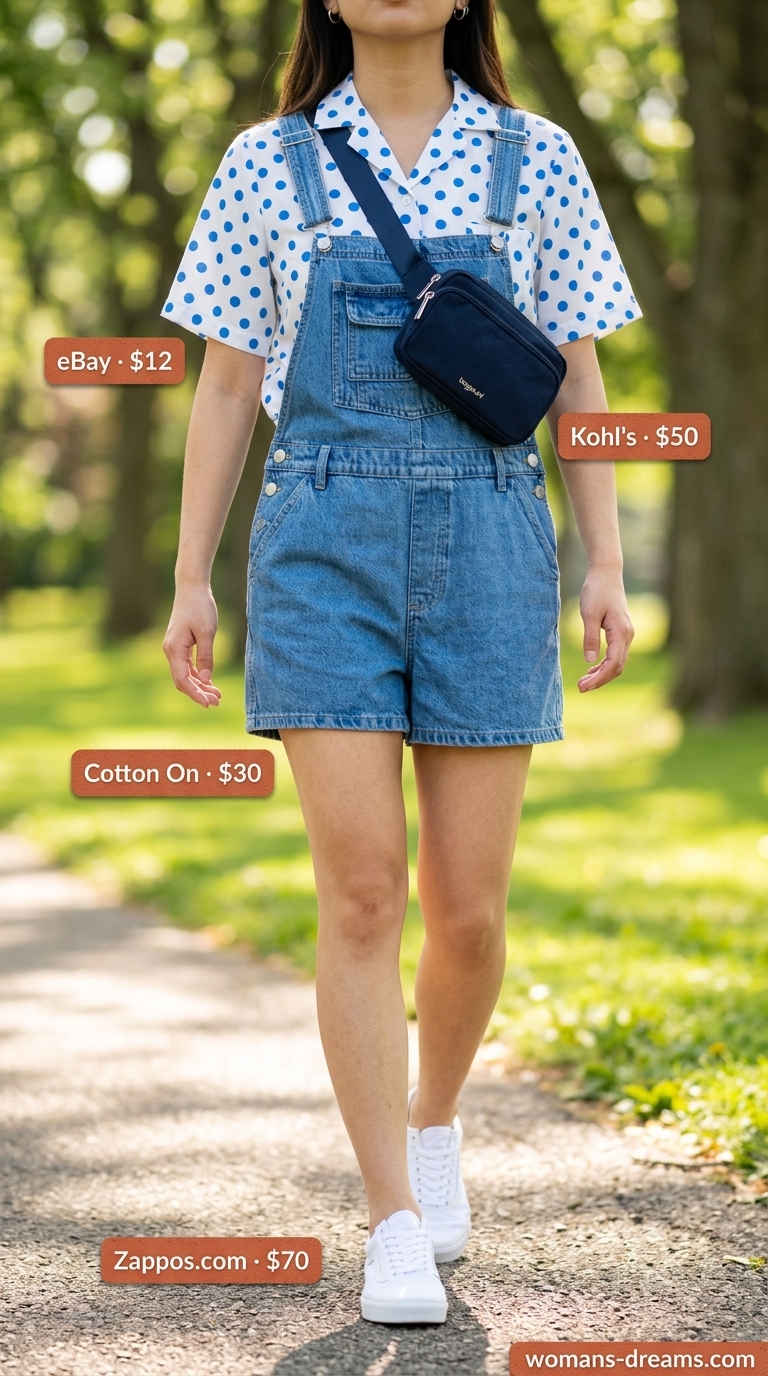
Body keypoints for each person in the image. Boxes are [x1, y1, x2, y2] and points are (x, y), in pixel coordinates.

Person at [162, 0, 636, 1327]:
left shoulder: (535, 154)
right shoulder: (269, 161)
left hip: (492, 543)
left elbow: (580, 370)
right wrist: (193, 575)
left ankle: (434, 1126)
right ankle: (391, 1218)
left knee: (468, 910)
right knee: (363, 890)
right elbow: (219, 383)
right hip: (320, 547)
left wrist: (603, 560)